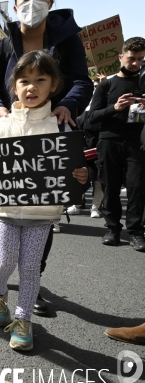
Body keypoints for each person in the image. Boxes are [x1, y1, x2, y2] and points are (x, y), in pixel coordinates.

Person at [0, 50, 88, 351]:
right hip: (3, 212)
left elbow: (74, 170)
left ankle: (23, 321)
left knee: (30, 268)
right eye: (24, 80)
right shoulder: (2, 125)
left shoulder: (62, 126)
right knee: (2, 264)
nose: (31, 87)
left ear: (54, 85)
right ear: (14, 86)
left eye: (40, 79)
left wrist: (79, 177)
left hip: (42, 214)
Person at [0, 0, 93, 131]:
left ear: (50, 4)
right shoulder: (0, 49)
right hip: (12, 135)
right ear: (15, 8)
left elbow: (82, 82)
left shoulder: (69, 42)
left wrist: (68, 105)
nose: (32, 3)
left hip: (57, 133)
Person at [89, 37, 145, 252]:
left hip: (136, 142)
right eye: (131, 59)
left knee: (137, 187)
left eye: (140, 59)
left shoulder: (144, 81)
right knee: (110, 186)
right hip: (109, 141)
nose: (135, 64)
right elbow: (92, 116)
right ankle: (112, 228)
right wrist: (116, 107)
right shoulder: (106, 84)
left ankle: (136, 232)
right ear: (121, 57)